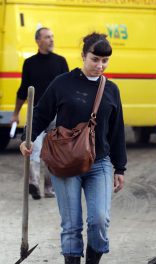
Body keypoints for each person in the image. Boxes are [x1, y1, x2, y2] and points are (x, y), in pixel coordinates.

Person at [20, 33, 126, 264]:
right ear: (83, 56)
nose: (100, 65)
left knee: (99, 219)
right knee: (71, 225)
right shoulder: (62, 83)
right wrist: (26, 139)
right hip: (65, 162)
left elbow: (116, 130)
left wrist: (120, 168)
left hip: (100, 163)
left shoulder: (111, 89)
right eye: (95, 59)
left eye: (105, 61)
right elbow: (40, 114)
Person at [12, 27, 69, 199]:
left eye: (52, 37)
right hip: (35, 115)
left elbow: (67, 90)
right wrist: (15, 113)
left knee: (51, 152)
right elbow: (23, 90)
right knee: (33, 148)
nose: (51, 40)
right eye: (47, 37)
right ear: (38, 41)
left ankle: (49, 188)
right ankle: (34, 183)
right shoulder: (29, 63)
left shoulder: (60, 62)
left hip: (56, 114)